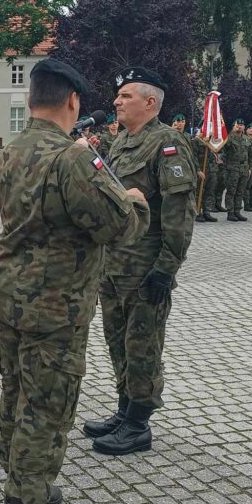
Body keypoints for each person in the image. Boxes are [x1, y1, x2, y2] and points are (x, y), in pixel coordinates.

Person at [0, 59, 148, 504]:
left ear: (32, 97)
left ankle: (24, 480)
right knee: (47, 404)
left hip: (11, 295)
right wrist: (134, 200)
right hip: (55, 303)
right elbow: (117, 226)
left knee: (17, 390)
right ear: (73, 101)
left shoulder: (9, 152)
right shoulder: (72, 159)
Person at [86, 67, 196, 456]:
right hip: (114, 264)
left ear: (151, 102)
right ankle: (124, 408)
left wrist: (166, 268)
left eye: (126, 96)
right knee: (117, 341)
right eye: (118, 95)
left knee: (142, 344)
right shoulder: (122, 142)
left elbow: (180, 214)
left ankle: (139, 423)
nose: (117, 101)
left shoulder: (167, 143)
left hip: (145, 267)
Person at [221, 119, 250, 222]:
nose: (240, 126)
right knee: (231, 191)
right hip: (232, 168)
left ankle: (237, 211)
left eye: (242, 125)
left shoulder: (246, 139)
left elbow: (250, 154)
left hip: (244, 168)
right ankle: (230, 212)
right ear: (233, 126)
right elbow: (223, 150)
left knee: (240, 191)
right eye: (238, 125)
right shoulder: (229, 138)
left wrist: (249, 167)